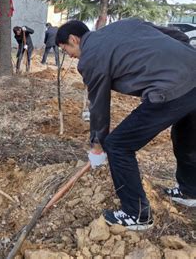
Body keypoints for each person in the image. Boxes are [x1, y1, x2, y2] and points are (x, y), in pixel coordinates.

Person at [56, 18, 196, 231]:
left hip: (170, 89)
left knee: (118, 145)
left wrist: (97, 145)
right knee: (185, 134)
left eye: (66, 49)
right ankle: (190, 191)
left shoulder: (90, 57)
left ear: (74, 39)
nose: (69, 55)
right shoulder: (124, 25)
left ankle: (136, 213)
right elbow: (178, 36)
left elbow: (99, 104)